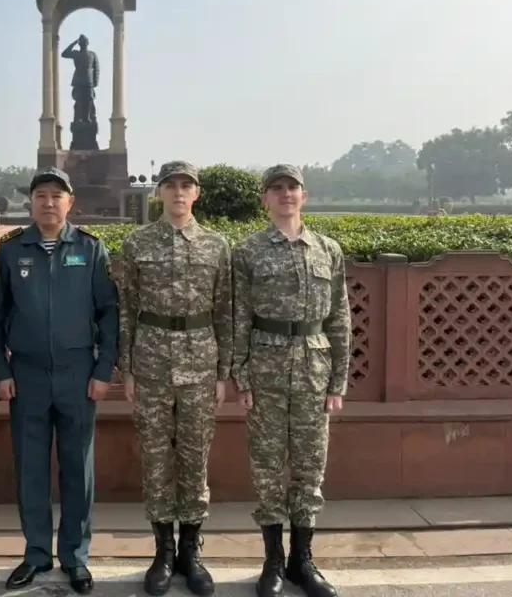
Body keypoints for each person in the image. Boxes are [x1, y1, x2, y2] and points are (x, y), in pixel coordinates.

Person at [0, 167, 119, 595]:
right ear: (31, 202)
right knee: (31, 468)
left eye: (56, 195)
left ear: (70, 202)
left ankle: (76, 557)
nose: (48, 202)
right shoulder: (11, 251)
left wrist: (103, 371)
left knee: (78, 469)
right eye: (40, 195)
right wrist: (0, 372)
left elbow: (109, 315)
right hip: (26, 375)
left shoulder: (90, 249)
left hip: (78, 375)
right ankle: (37, 554)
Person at [231, 164, 350, 597]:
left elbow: (339, 319)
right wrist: (240, 376)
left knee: (309, 467)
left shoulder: (328, 250)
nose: (285, 194)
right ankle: (273, 562)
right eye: (276, 188)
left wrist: (338, 381)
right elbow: (239, 318)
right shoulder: (248, 252)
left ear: (305, 195)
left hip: (314, 370)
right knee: (266, 467)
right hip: (265, 367)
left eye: (292, 188)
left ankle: (303, 560)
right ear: (264, 199)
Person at [117, 161, 233, 597]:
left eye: (187, 185)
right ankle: (163, 550)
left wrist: (223, 374)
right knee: (155, 456)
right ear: (159, 193)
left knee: (194, 455)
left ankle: (191, 550)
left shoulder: (217, 246)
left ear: (197, 193)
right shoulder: (137, 243)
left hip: (200, 359)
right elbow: (126, 307)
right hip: (150, 359)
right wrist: (126, 366)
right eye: (171, 185)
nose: (179, 192)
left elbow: (225, 310)